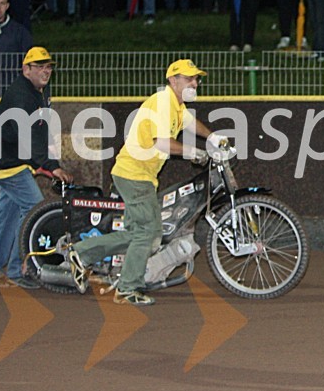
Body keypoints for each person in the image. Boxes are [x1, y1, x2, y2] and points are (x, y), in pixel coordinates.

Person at [67, 59, 226, 306]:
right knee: (149, 233)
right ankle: (127, 287)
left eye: (196, 78)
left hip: (138, 175)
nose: (195, 82)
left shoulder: (175, 104)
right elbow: (161, 142)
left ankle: (82, 253)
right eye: (189, 78)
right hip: (134, 175)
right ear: (173, 81)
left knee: (136, 233)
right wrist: (195, 153)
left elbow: (190, 123)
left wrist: (213, 136)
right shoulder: (163, 103)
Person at [0, 47, 73, 288]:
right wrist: (51, 167)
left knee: (7, 219)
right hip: (8, 165)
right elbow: (27, 138)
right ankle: (18, 269)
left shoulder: (39, 89)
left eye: (48, 66)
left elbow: (39, 129)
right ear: (26, 69)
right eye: (39, 66)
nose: (46, 71)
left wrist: (47, 161)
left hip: (13, 162)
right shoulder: (21, 96)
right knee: (34, 210)